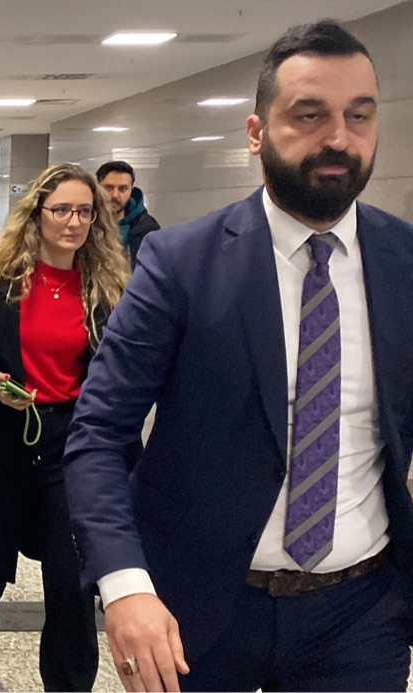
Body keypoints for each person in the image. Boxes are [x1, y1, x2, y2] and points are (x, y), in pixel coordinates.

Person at [63, 20, 413, 693]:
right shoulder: (181, 263)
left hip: (360, 611)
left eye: (358, 115)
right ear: (256, 132)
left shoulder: (403, 261)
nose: (338, 137)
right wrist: (125, 586)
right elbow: (98, 433)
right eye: (308, 115)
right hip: (195, 607)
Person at [0, 163, 131, 692]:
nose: (74, 222)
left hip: (71, 443)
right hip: (2, 440)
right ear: (37, 214)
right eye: (62, 210)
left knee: (72, 583)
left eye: (84, 211)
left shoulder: (105, 288)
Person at [96, 161, 160, 269]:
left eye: (123, 189)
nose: (115, 195)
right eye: (108, 188)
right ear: (97, 187)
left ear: (131, 190)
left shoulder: (147, 227)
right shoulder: (85, 222)